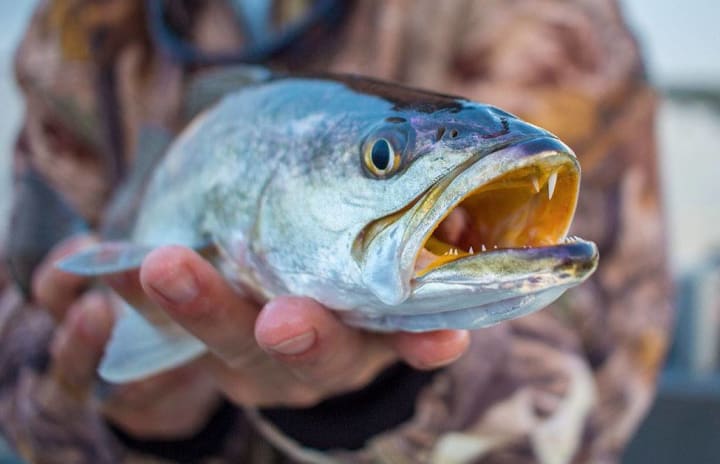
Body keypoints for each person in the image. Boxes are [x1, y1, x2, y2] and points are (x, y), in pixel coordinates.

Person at [0, 1, 672, 463]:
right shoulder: (80, 24)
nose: (386, 164)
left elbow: (597, 389)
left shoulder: (544, 20)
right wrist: (131, 424)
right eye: (383, 159)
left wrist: (382, 405)